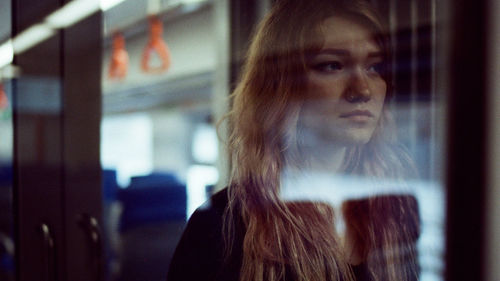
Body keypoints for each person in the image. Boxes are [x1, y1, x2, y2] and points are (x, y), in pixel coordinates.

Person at [167, 0, 420, 280]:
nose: (362, 90)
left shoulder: (397, 211)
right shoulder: (219, 227)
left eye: (374, 68)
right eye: (332, 65)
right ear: (281, 86)